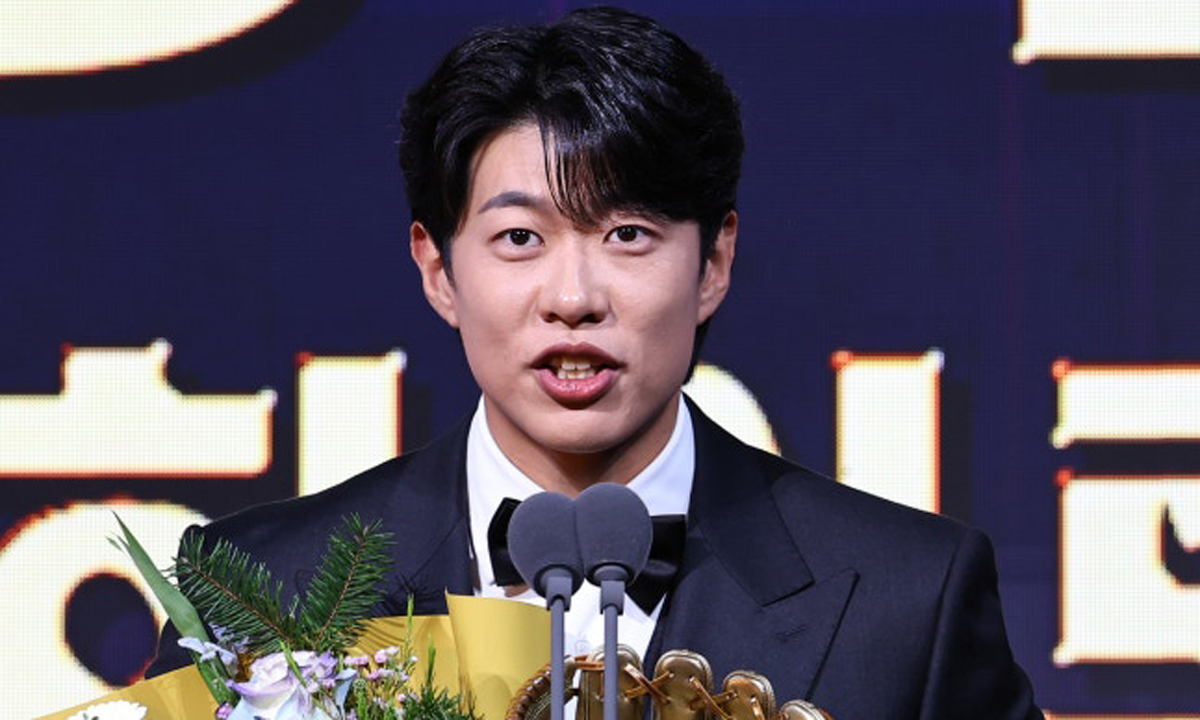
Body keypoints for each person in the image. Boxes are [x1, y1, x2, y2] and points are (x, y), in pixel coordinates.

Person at [149, 7, 1042, 718]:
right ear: (438, 270)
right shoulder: (256, 589)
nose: (573, 297)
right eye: (519, 237)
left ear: (713, 263)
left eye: (627, 234)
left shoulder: (907, 601)